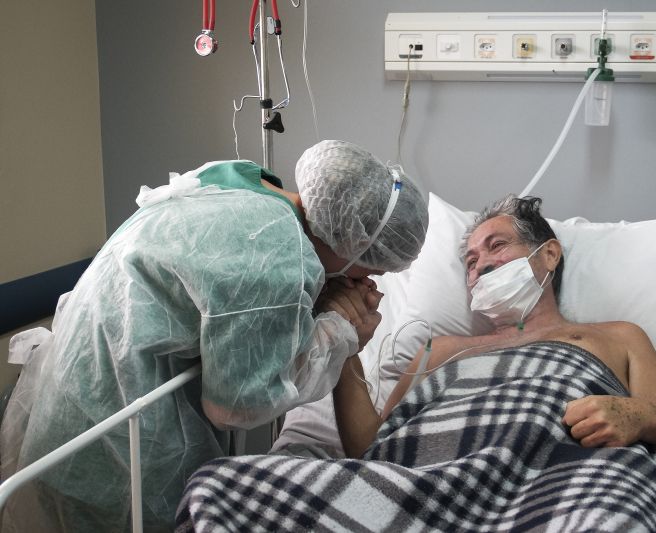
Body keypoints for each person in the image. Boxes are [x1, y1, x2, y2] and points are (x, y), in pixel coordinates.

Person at [0, 140, 427, 532]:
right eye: (373, 267)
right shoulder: (278, 254)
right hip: (112, 456)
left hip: (68, 399)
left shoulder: (241, 180)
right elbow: (239, 404)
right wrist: (341, 331)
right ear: (353, 241)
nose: (369, 280)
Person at [332, 194, 656, 471]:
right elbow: (369, 451)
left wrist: (643, 417)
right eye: (471, 262)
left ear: (550, 254)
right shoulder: (439, 350)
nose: (481, 266)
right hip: (430, 482)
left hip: (568, 486)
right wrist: (345, 344)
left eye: (497, 246)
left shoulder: (619, 338)